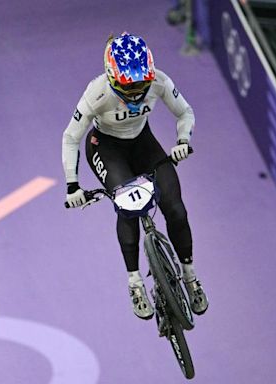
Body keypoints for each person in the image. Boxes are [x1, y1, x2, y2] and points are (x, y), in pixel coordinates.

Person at [62, 32, 208, 320]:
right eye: (129, 86)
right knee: (129, 208)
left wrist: (182, 141)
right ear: (111, 76)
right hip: (106, 149)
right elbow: (70, 138)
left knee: (176, 209)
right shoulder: (97, 92)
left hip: (144, 145)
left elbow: (185, 113)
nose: (136, 92)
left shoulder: (159, 81)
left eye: (141, 84)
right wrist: (72, 185)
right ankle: (135, 282)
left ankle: (190, 276)